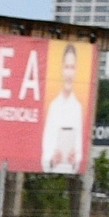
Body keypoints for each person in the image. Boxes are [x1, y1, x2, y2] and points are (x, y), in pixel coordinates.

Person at [40, 43, 89, 176]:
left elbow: (80, 153)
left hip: (70, 172)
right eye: (67, 67)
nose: (69, 73)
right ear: (62, 69)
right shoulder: (53, 106)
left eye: (72, 68)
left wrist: (75, 161)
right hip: (50, 174)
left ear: (76, 71)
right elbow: (44, 152)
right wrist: (51, 160)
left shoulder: (78, 107)